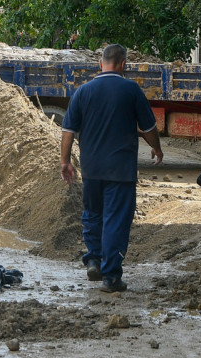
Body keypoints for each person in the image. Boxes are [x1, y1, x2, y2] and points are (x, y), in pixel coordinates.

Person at [59, 44, 163, 292]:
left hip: (91, 169)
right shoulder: (131, 89)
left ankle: (94, 259)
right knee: (116, 219)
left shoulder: (83, 92)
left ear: (100, 63)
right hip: (121, 170)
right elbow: (149, 128)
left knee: (93, 214)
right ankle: (111, 277)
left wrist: (65, 161)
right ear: (124, 64)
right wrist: (157, 148)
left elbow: (68, 130)